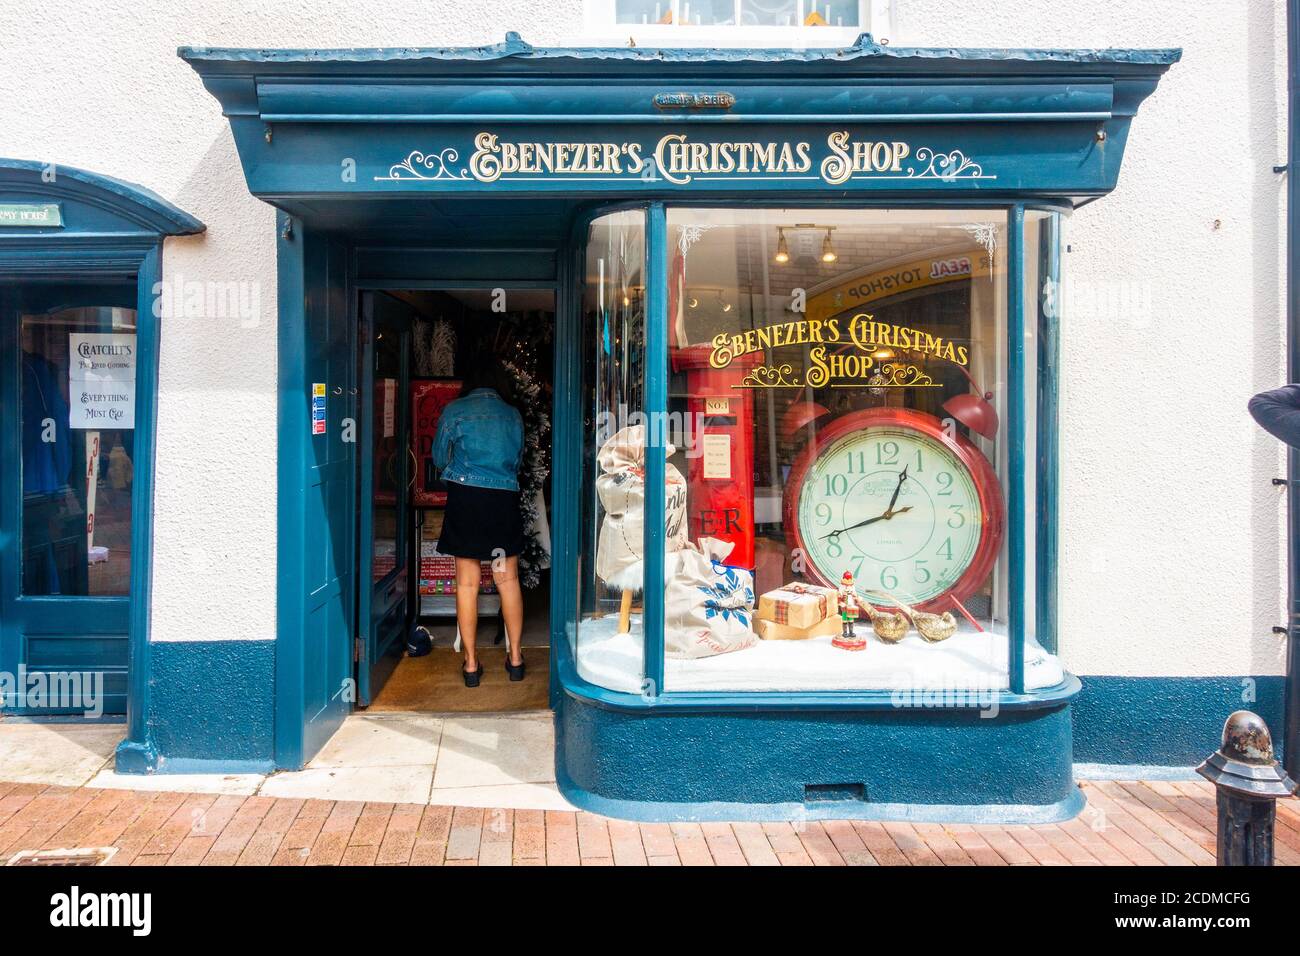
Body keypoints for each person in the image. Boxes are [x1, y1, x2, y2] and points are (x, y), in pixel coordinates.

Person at [432, 356, 526, 687]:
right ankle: (515, 659)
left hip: (466, 502)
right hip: (502, 502)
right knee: (507, 581)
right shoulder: (512, 415)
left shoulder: (455, 411)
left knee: (467, 585)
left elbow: (439, 456)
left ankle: (471, 665)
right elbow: (518, 460)